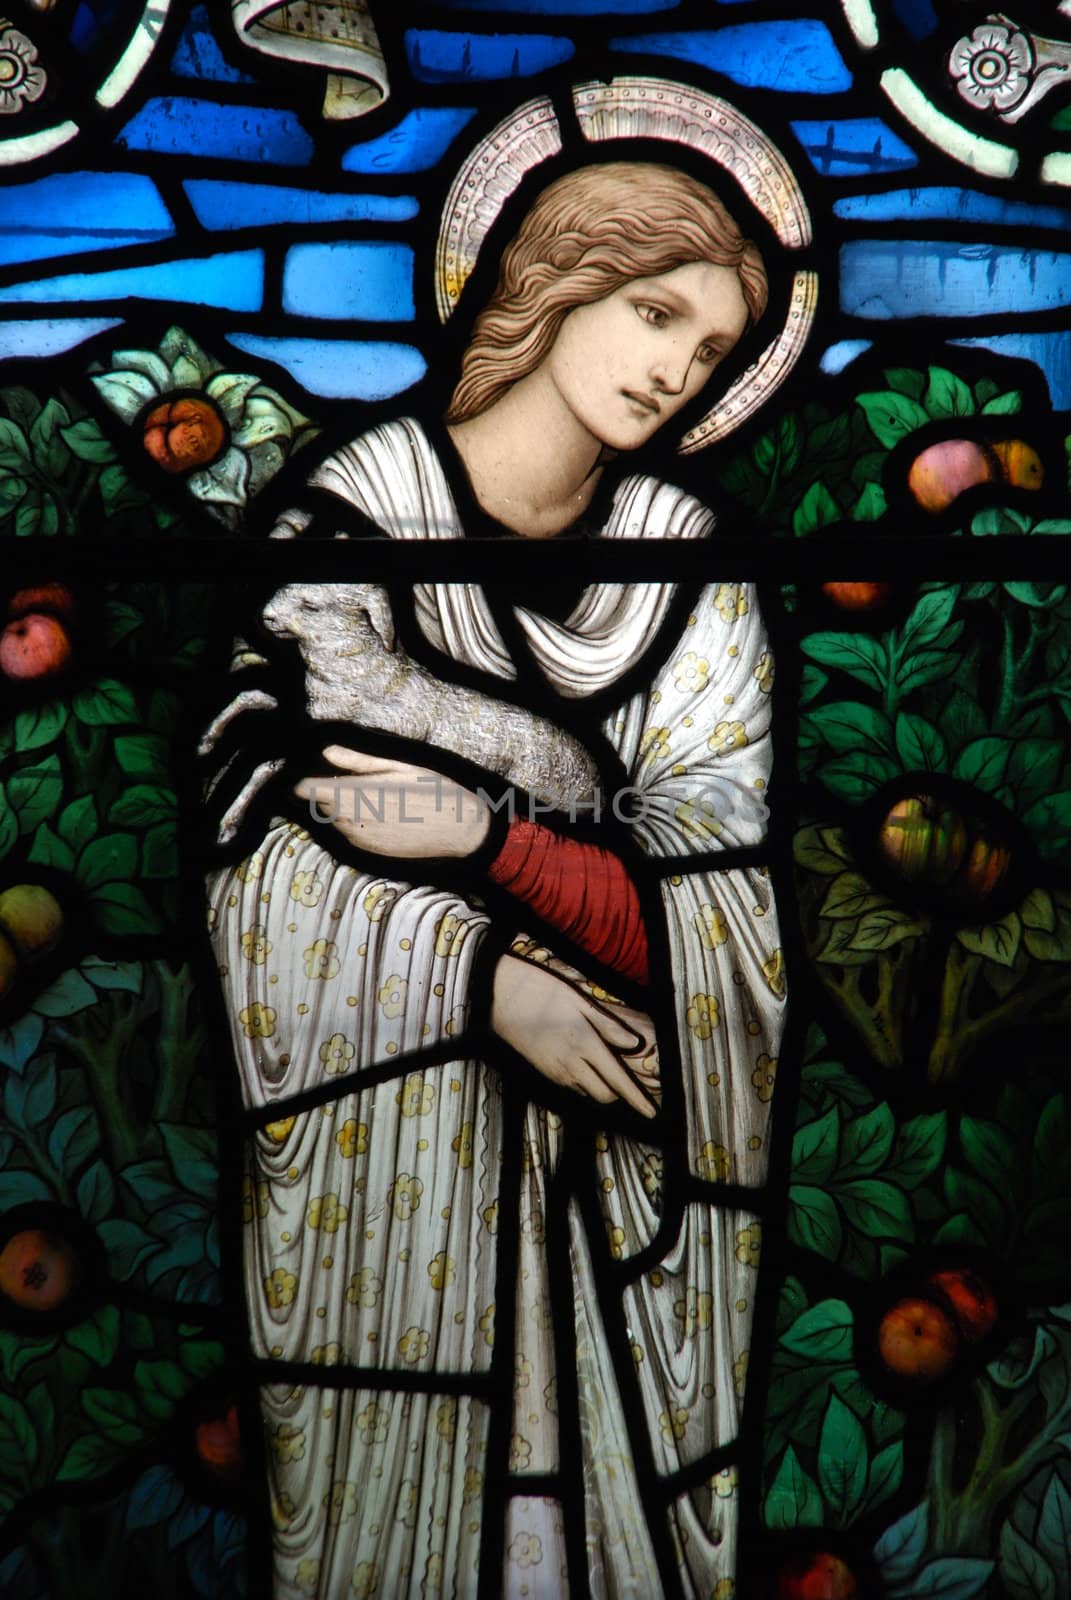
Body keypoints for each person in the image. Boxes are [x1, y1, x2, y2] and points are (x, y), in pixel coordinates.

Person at [206, 159, 786, 1600]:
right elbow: (251, 853)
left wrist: (485, 843)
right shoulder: (348, 526)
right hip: (393, 1182)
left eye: (712, 352)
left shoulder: (690, 574)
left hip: (623, 1205)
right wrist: (485, 984)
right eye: (656, 315)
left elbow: (727, 927)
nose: (676, 372)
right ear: (549, 284)